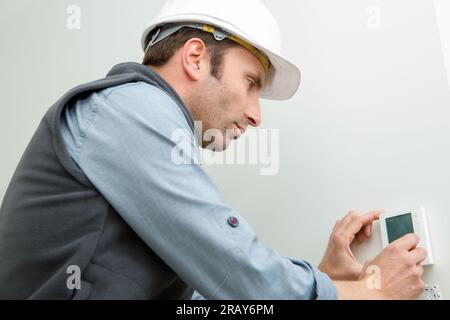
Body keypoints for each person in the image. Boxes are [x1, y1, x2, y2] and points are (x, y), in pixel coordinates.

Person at [0, 0, 426, 300]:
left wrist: (325, 279)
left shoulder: (139, 131)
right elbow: (237, 273)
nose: (257, 115)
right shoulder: (127, 109)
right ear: (196, 57)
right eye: (250, 83)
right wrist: (371, 291)